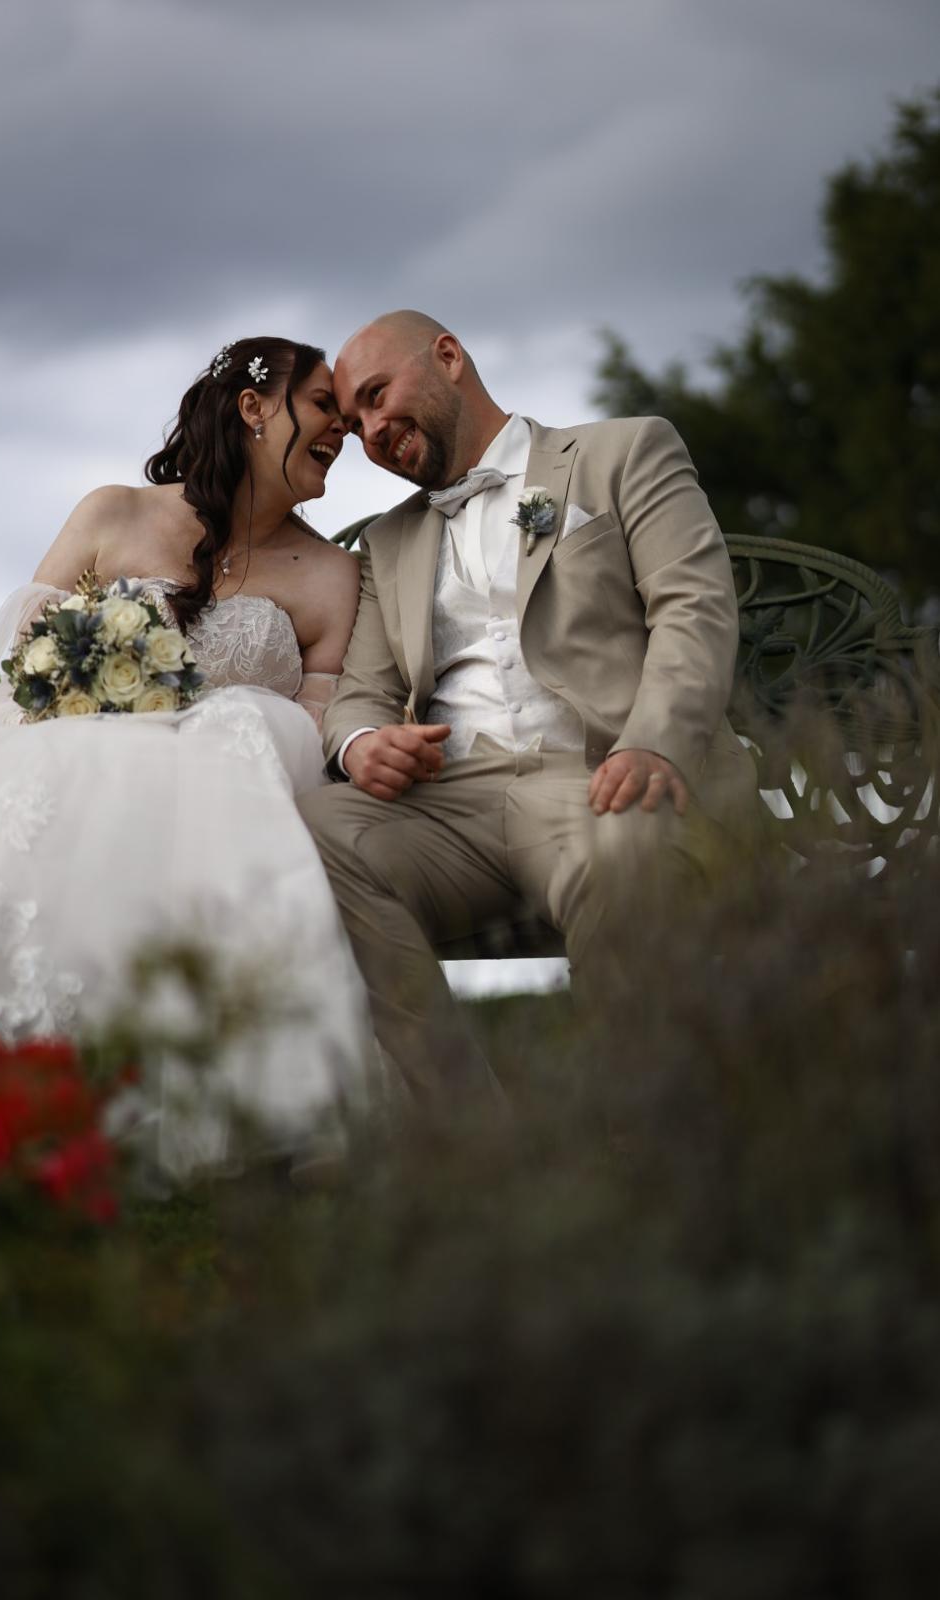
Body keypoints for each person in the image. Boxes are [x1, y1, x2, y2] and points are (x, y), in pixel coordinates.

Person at [0, 337, 373, 1175]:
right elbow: (16, 670)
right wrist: (92, 691)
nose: (345, 429)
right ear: (253, 407)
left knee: (235, 730)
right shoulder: (114, 514)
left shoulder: (331, 575)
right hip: (58, 768)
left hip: (218, 810)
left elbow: (319, 731)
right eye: (325, 405)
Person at [298, 310, 759, 1114]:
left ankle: (648, 1134)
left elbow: (695, 608)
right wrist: (364, 742)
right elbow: (361, 691)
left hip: (598, 777)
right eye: (355, 420)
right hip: (452, 807)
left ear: (447, 357)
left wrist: (655, 744)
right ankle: (471, 1135)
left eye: (377, 395)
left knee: (626, 855)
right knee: (316, 829)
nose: (370, 430)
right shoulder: (387, 542)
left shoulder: (624, 452)